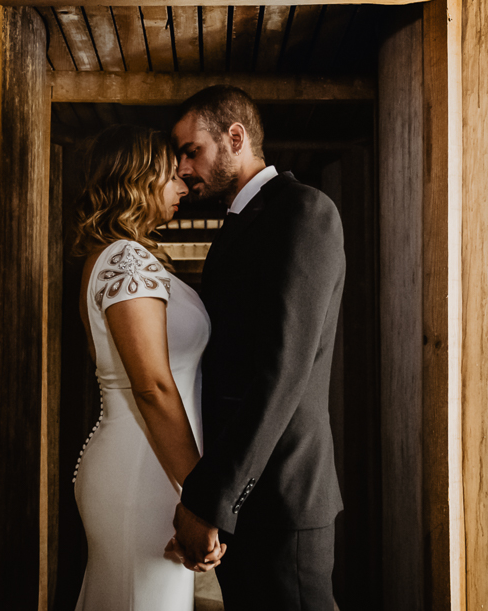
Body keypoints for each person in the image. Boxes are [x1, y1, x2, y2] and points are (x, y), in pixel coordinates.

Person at [167, 86, 347, 610]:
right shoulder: (235, 227)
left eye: (191, 150)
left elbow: (283, 371)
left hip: (284, 499)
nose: (182, 167)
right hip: (243, 501)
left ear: (235, 138)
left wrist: (209, 502)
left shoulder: (304, 211)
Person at [70, 124, 224, 611]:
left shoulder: (130, 258)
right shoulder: (124, 258)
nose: (184, 187)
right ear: (137, 179)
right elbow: (154, 386)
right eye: (171, 177)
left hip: (153, 464)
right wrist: (201, 497)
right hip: (143, 467)